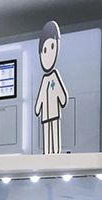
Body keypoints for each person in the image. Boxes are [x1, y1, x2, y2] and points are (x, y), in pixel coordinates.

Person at [34, 21, 68, 155]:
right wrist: (38, 107)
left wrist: (63, 99)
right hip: (46, 114)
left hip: (53, 112)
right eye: (45, 50)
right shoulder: (44, 80)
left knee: (55, 129)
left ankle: (56, 151)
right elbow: (41, 95)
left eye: (52, 47)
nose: (48, 54)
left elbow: (59, 91)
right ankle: (47, 152)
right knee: (47, 133)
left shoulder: (54, 77)